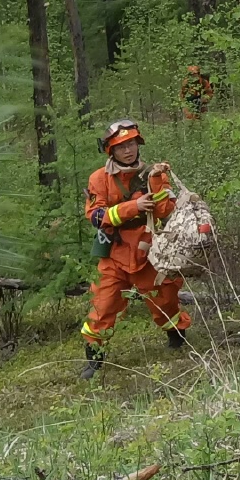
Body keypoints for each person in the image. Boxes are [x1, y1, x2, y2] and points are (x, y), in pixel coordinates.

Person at [80, 118, 191, 380]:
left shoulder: (154, 173)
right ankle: (93, 361)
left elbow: (167, 211)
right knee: (103, 305)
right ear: (111, 151)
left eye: (130, 144)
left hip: (148, 251)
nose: (127, 150)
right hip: (114, 254)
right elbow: (96, 216)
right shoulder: (99, 179)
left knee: (165, 297)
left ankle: (177, 339)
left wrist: (157, 185)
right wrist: (133, 207)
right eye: (121, 147)